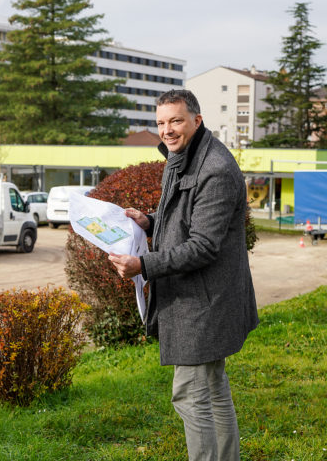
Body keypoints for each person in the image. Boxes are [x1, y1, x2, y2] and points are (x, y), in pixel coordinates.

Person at [109, 89, 258, 461]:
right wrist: (149, 221)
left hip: (205, 303)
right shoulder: (182, 157)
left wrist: (143, 266)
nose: (167, 130)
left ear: (197, 120)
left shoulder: (216, 170)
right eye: (161, 122)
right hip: (200, 298)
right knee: (212, 389)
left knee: (191, 396)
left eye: (175, 120)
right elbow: (186, 223)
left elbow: (204, 245)